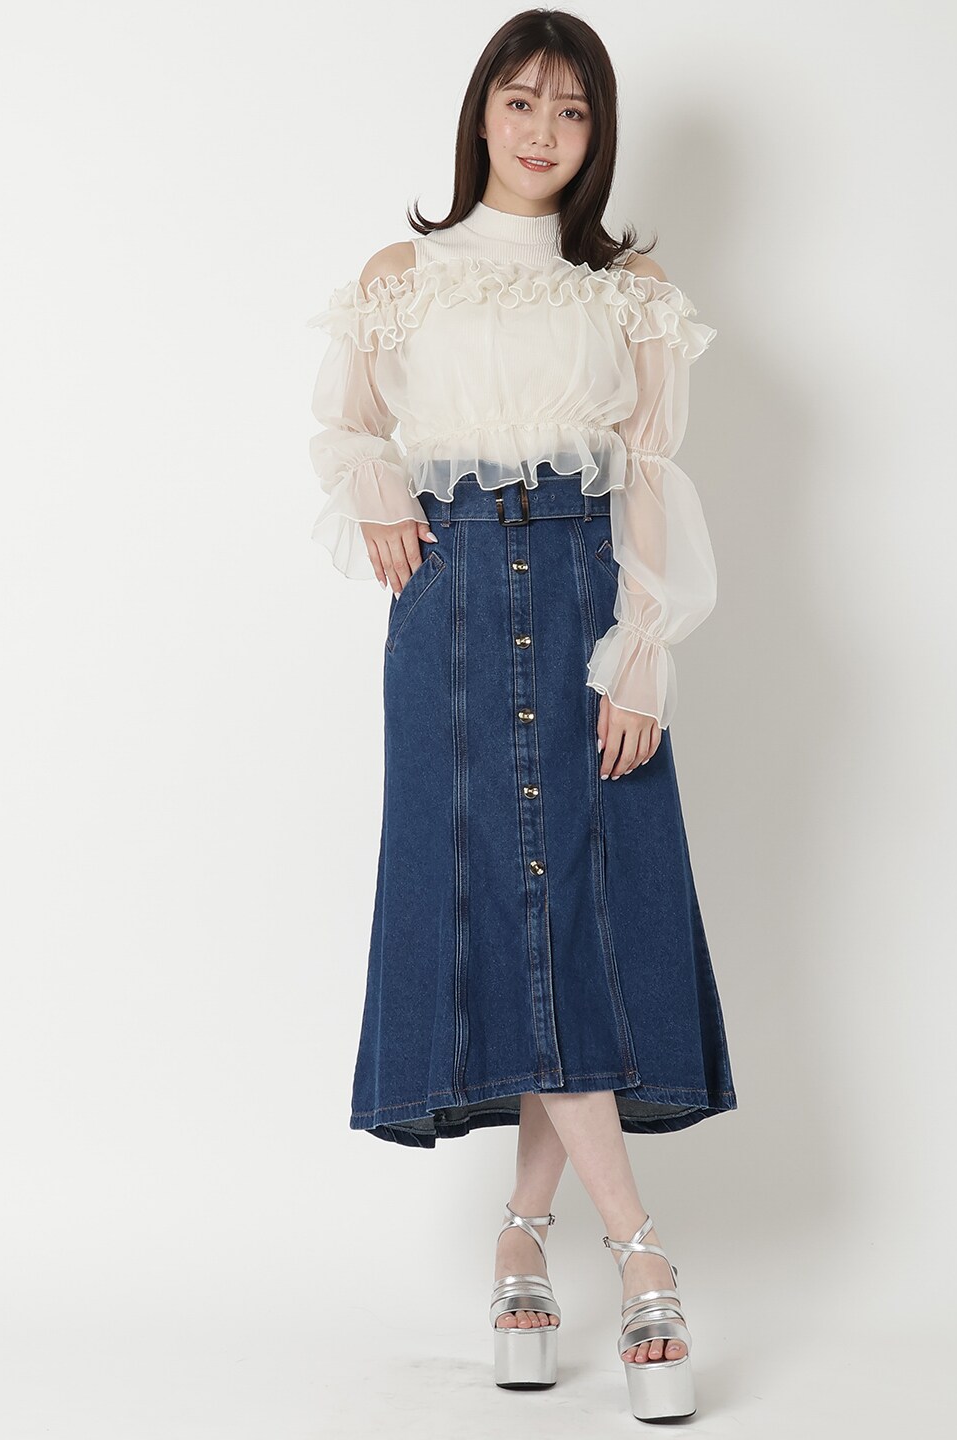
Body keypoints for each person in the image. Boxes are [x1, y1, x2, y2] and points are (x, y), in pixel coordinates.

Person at [305, 9, 737, 1422]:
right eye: (520, 99)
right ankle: (633, 1249)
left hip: (581, 590)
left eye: (572, 109)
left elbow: (652, 477)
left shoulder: (629, 292)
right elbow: (348, 426)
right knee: (505, 899)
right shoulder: (400, 278)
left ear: (596, 135)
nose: (542, 130)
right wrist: (377, 487)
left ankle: (529, 1243)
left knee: (574, 902)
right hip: (446, 609)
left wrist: (642, 651)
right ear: (479, 112)